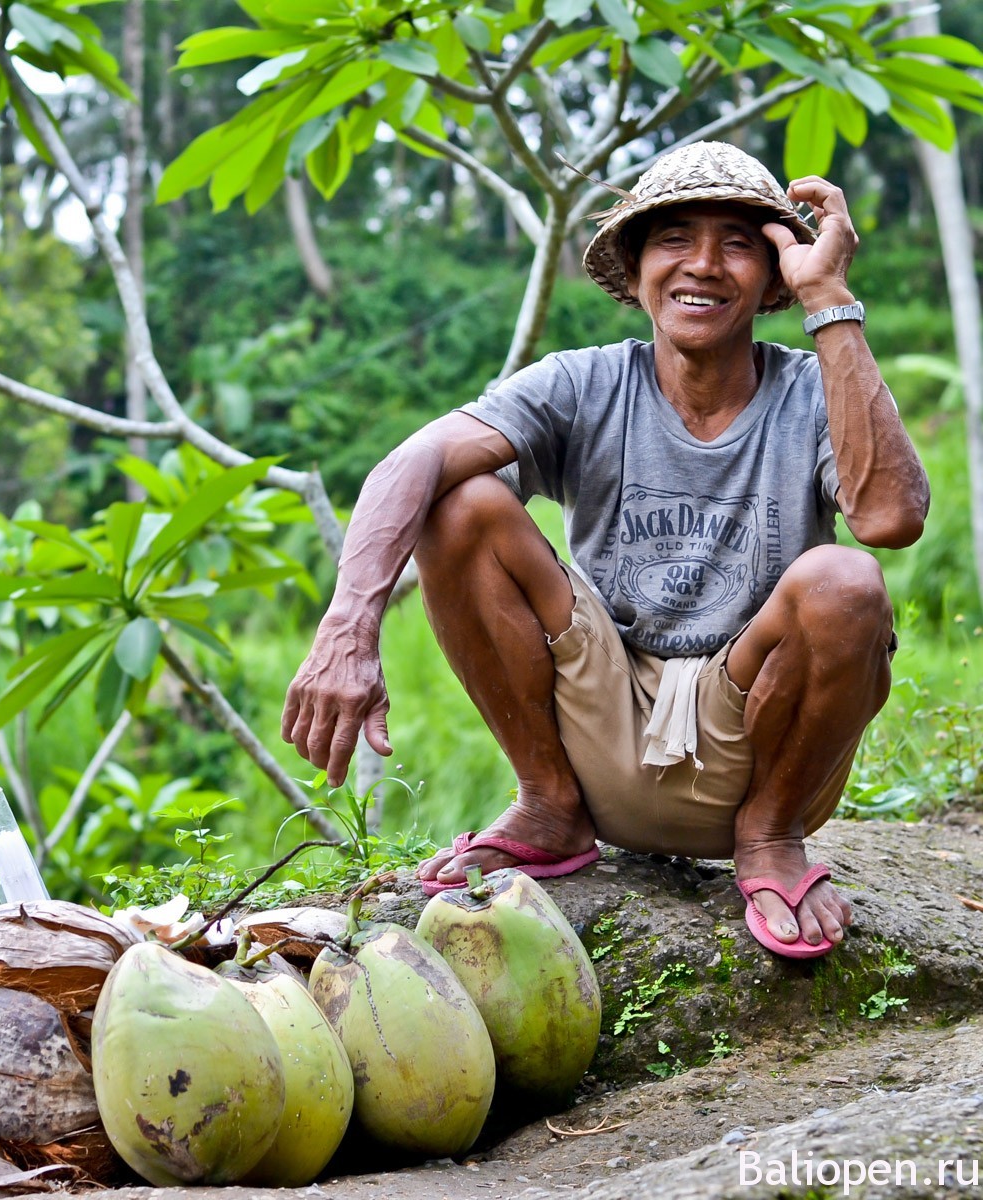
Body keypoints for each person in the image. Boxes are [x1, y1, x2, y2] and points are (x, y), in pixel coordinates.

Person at [281, 141, 929, 959]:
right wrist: (349, 625)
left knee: (845, 579)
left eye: (737, 242)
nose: (703, 265)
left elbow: (889, 517)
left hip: (757, 734)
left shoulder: (809, 388)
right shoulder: (586, 383)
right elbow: (415, 459)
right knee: (462, 504)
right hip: (603, 724)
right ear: (635, 266)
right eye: (673, 239)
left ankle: (769, 838)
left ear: (772, 275)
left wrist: (830, 297)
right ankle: (548, 806)